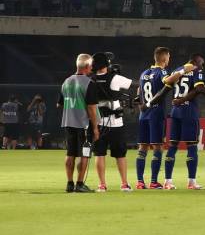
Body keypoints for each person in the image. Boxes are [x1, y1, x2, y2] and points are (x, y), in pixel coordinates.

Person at [135, 48, 187, 189]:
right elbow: (168, 80)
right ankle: (153, 181)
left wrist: (141, 104)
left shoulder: (144, 73)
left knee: (142, 148)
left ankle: (140, 181)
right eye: (168, 57)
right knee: (158, 147)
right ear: (164, 59)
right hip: (156, 114)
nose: (169, 60)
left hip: (143, 115)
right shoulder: (162, 72)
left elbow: (138, 91)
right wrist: (182, 71)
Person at [91, 53, 134, 192]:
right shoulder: (115, 78)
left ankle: (102, 185)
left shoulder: (90, 80)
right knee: (120, 154)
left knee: (99, 153)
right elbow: (131, 84)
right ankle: (124, 183)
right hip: (116, 122)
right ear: (106, 64)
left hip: (97, 122)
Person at [58, 54, 100, 193]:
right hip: (84, 124)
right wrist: (95, 128)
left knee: (70, 153)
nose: (92, 68)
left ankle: (69, 184)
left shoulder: (66, 81)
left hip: (68, 123)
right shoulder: (89, 83)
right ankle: (80, 184)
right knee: (84, 154)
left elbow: (59, 104)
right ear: (87, 67)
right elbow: (92, 109)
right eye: (91, 66)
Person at [164, 54, 205, 190]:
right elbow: (198, 90)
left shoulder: (177, 70)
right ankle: (191, 182)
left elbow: (168, 85)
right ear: (195, 62)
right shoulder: (196, 71)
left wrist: (178, 101)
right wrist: (183, 100)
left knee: (172, 146)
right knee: (192, 146)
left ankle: (168, 181)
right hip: (189, 111)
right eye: (201, 63)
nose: (202, 66)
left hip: (175, 111)